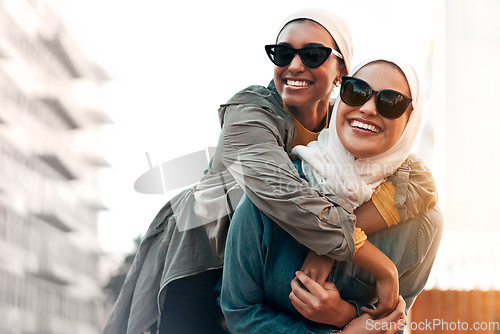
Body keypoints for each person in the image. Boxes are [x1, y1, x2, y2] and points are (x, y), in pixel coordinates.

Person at [102, 10, 438, 334]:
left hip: (276, 260)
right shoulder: (249, 112)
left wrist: (334, 254)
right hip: (201, 262)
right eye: (283, 52)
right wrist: (376, 264)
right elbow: (282, 195)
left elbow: (418, 181)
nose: (295, 65)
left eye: (313, 54)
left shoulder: (350, 119)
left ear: (341, 72)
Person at [220, 57, 443, 333]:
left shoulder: (422, 224)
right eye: (356, 91)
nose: (368, 108)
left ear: (411, 120)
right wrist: (342, 328)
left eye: (391, 102)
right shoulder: (275, 192)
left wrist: (345, 313)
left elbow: (394, 323)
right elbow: (239, 314)